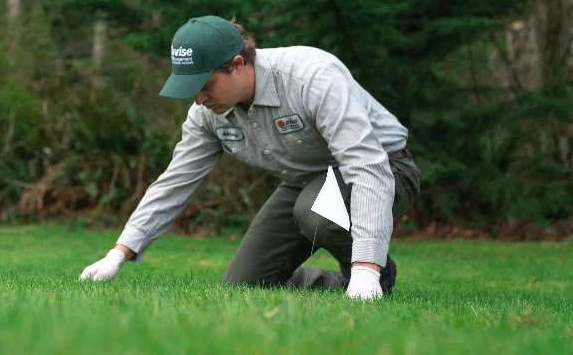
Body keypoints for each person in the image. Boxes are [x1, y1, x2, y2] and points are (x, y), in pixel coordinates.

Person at [78, 15, 421, 300]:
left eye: (205, 84)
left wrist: (365, 267)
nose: (198, 98)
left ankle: (370, 274)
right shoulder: (207, 114)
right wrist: (120, 252)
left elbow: (365, 165)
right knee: (244, 284)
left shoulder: (311, 77)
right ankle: (346, 286)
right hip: (307, 183)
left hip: (385, 167)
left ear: (238, 65)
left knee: (315, 209)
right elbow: (176, 181)